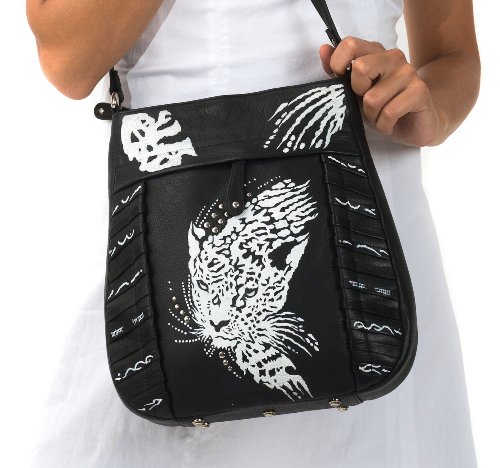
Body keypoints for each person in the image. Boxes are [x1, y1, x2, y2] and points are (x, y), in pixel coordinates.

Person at [26, 0, 480, 467]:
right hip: (160, 241)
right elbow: (69, 61)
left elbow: (452, 54)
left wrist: (432, 106)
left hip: (368, 244)